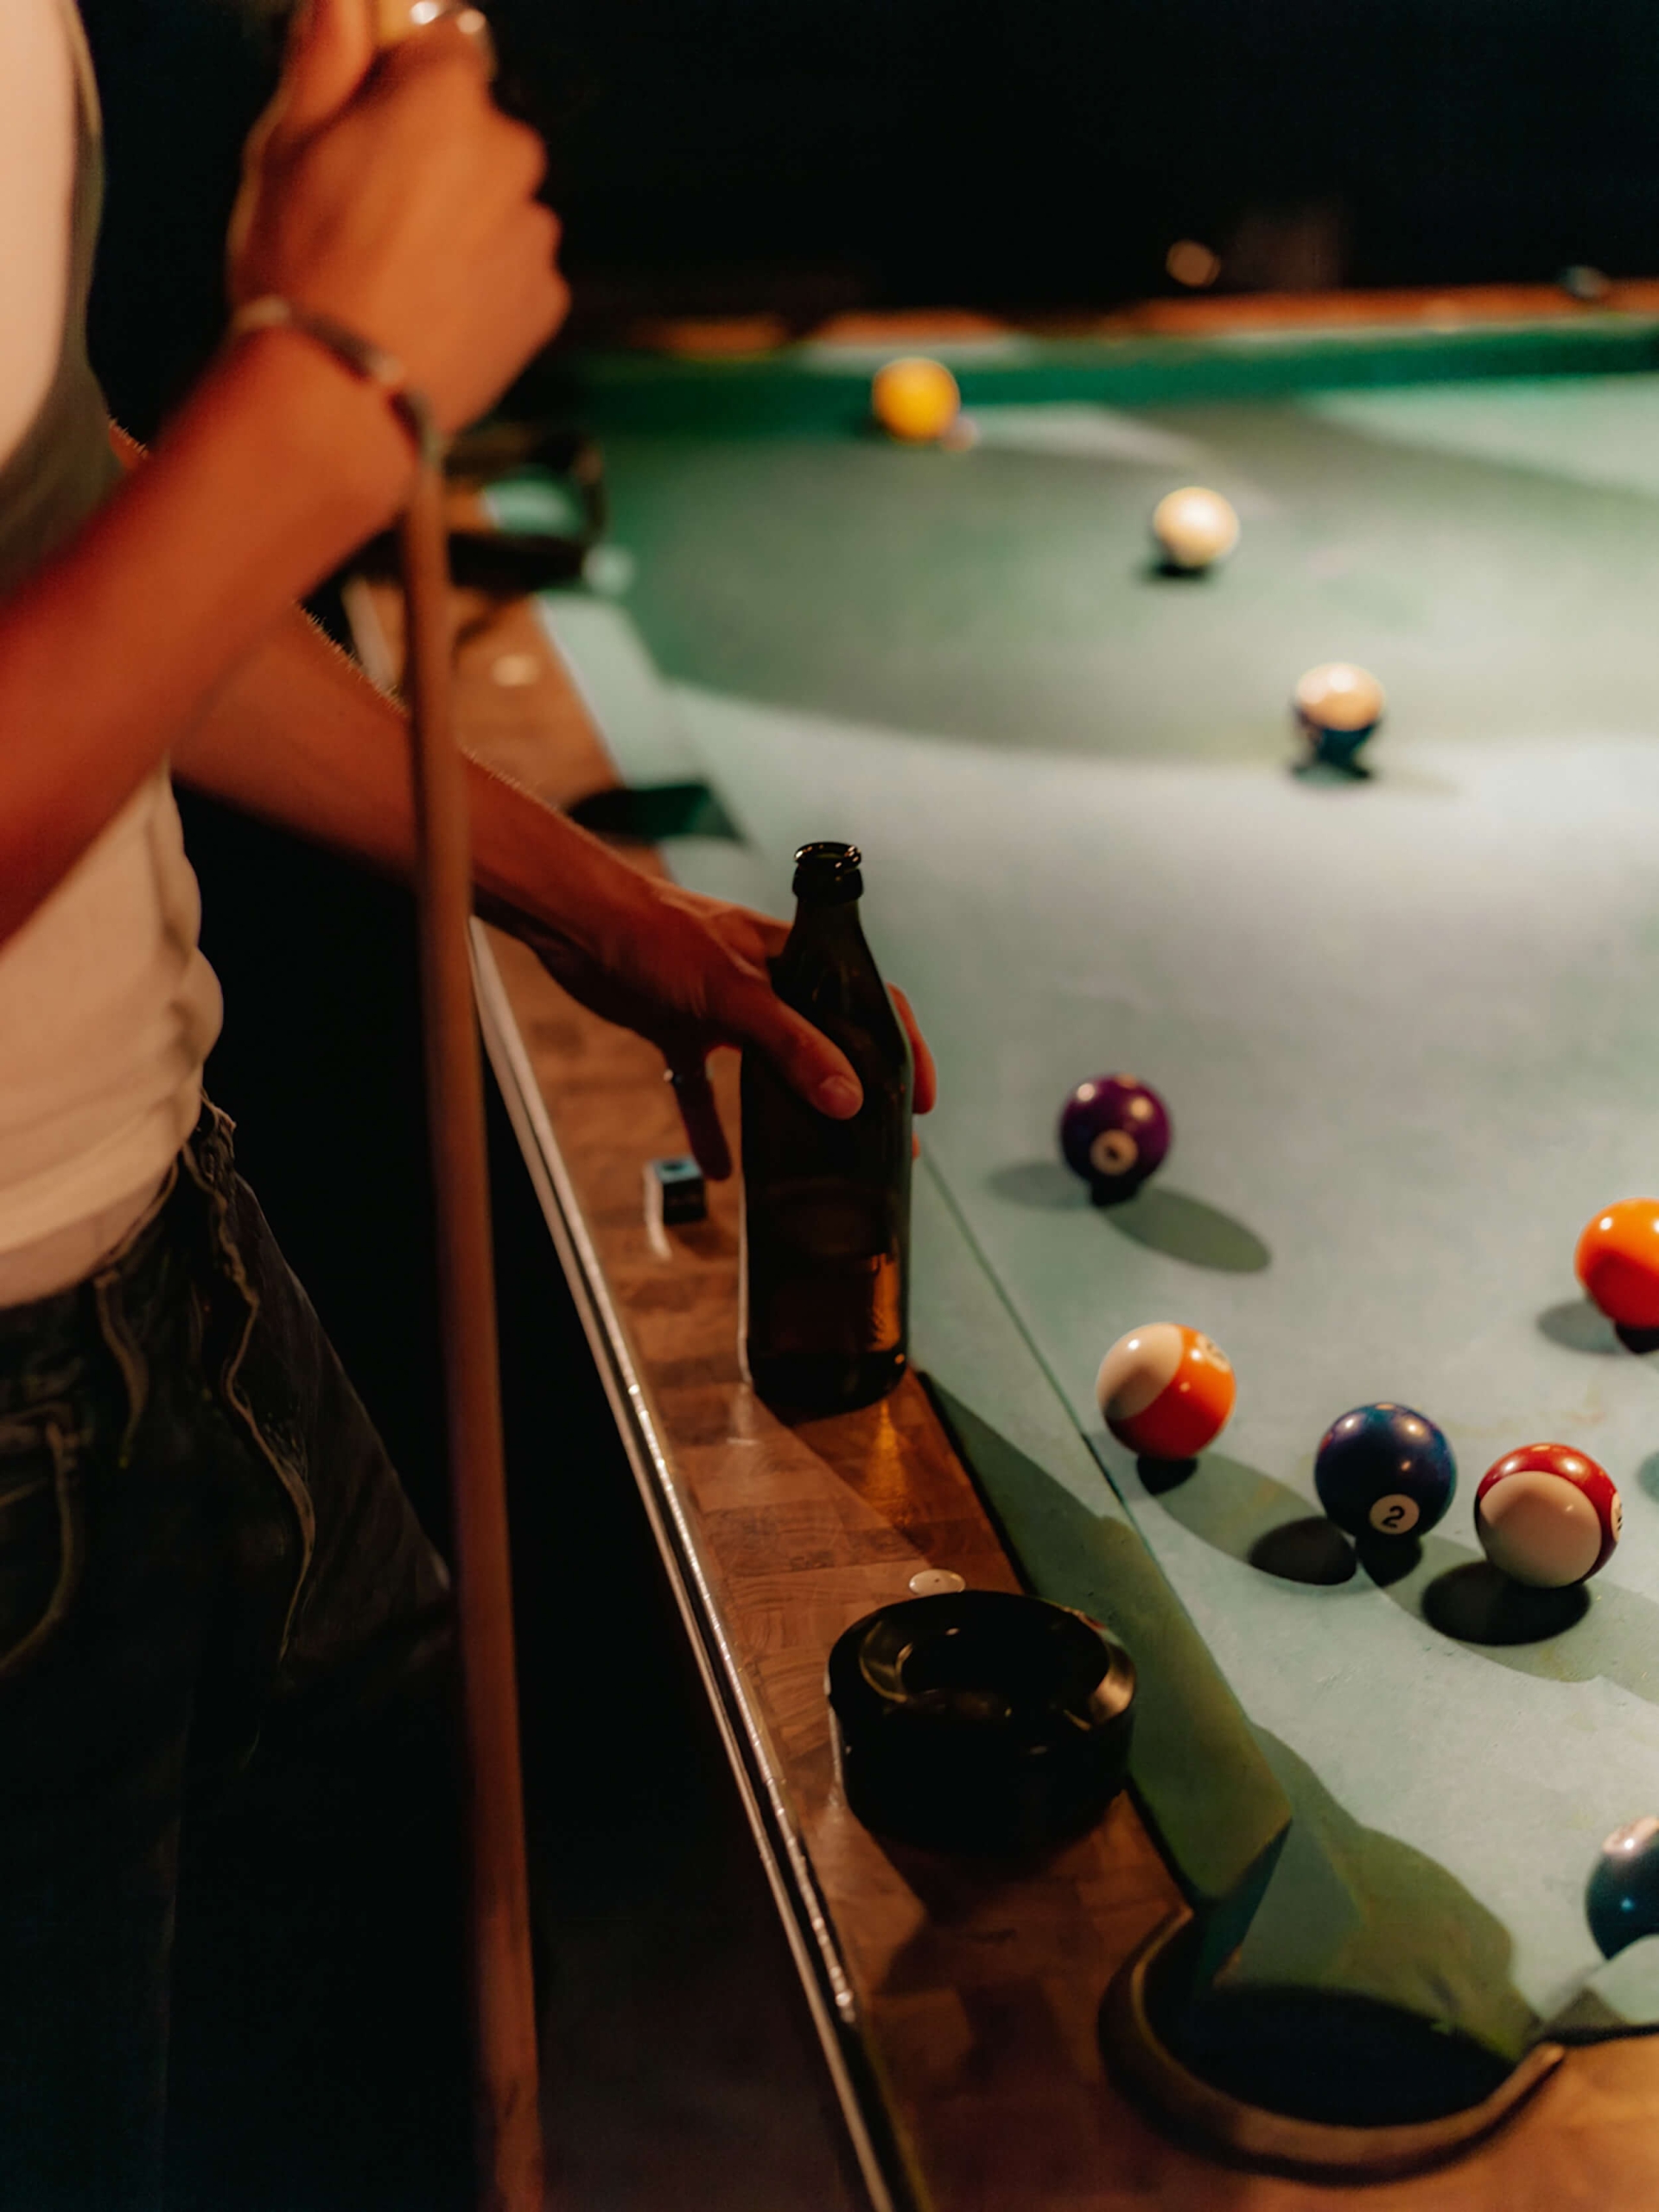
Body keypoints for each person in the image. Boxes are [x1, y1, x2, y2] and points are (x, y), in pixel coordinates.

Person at [0, 2, 937, 2204]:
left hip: (170, 1259)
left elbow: (49, 529)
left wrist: (574, 893)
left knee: (382, 2102)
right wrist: (321, 396)